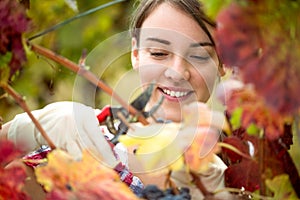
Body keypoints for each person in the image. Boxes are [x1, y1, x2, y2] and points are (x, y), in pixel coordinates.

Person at [0, 0, 230, 199]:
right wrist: (26, 130)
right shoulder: (74, 138)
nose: (178, 72)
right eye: (159, 53)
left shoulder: (233, 176)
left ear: (222, 63)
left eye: (199, 56)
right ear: (136, 54)